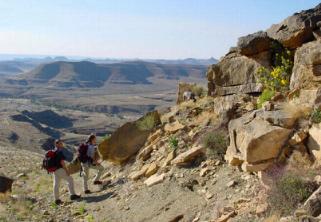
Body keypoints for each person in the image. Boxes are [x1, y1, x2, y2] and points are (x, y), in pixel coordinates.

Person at [52, 139, 81, 205]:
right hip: (60, 169)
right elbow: (62, 162)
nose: (62, 144)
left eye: (61, 143)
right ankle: (72, 195)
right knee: (70, 179)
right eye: (60, 143)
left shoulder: (53, 151)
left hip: (54, 170)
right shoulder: (59, 152)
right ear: (57, 144)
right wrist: (66, 170)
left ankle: (57, 200)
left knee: (56, 184)